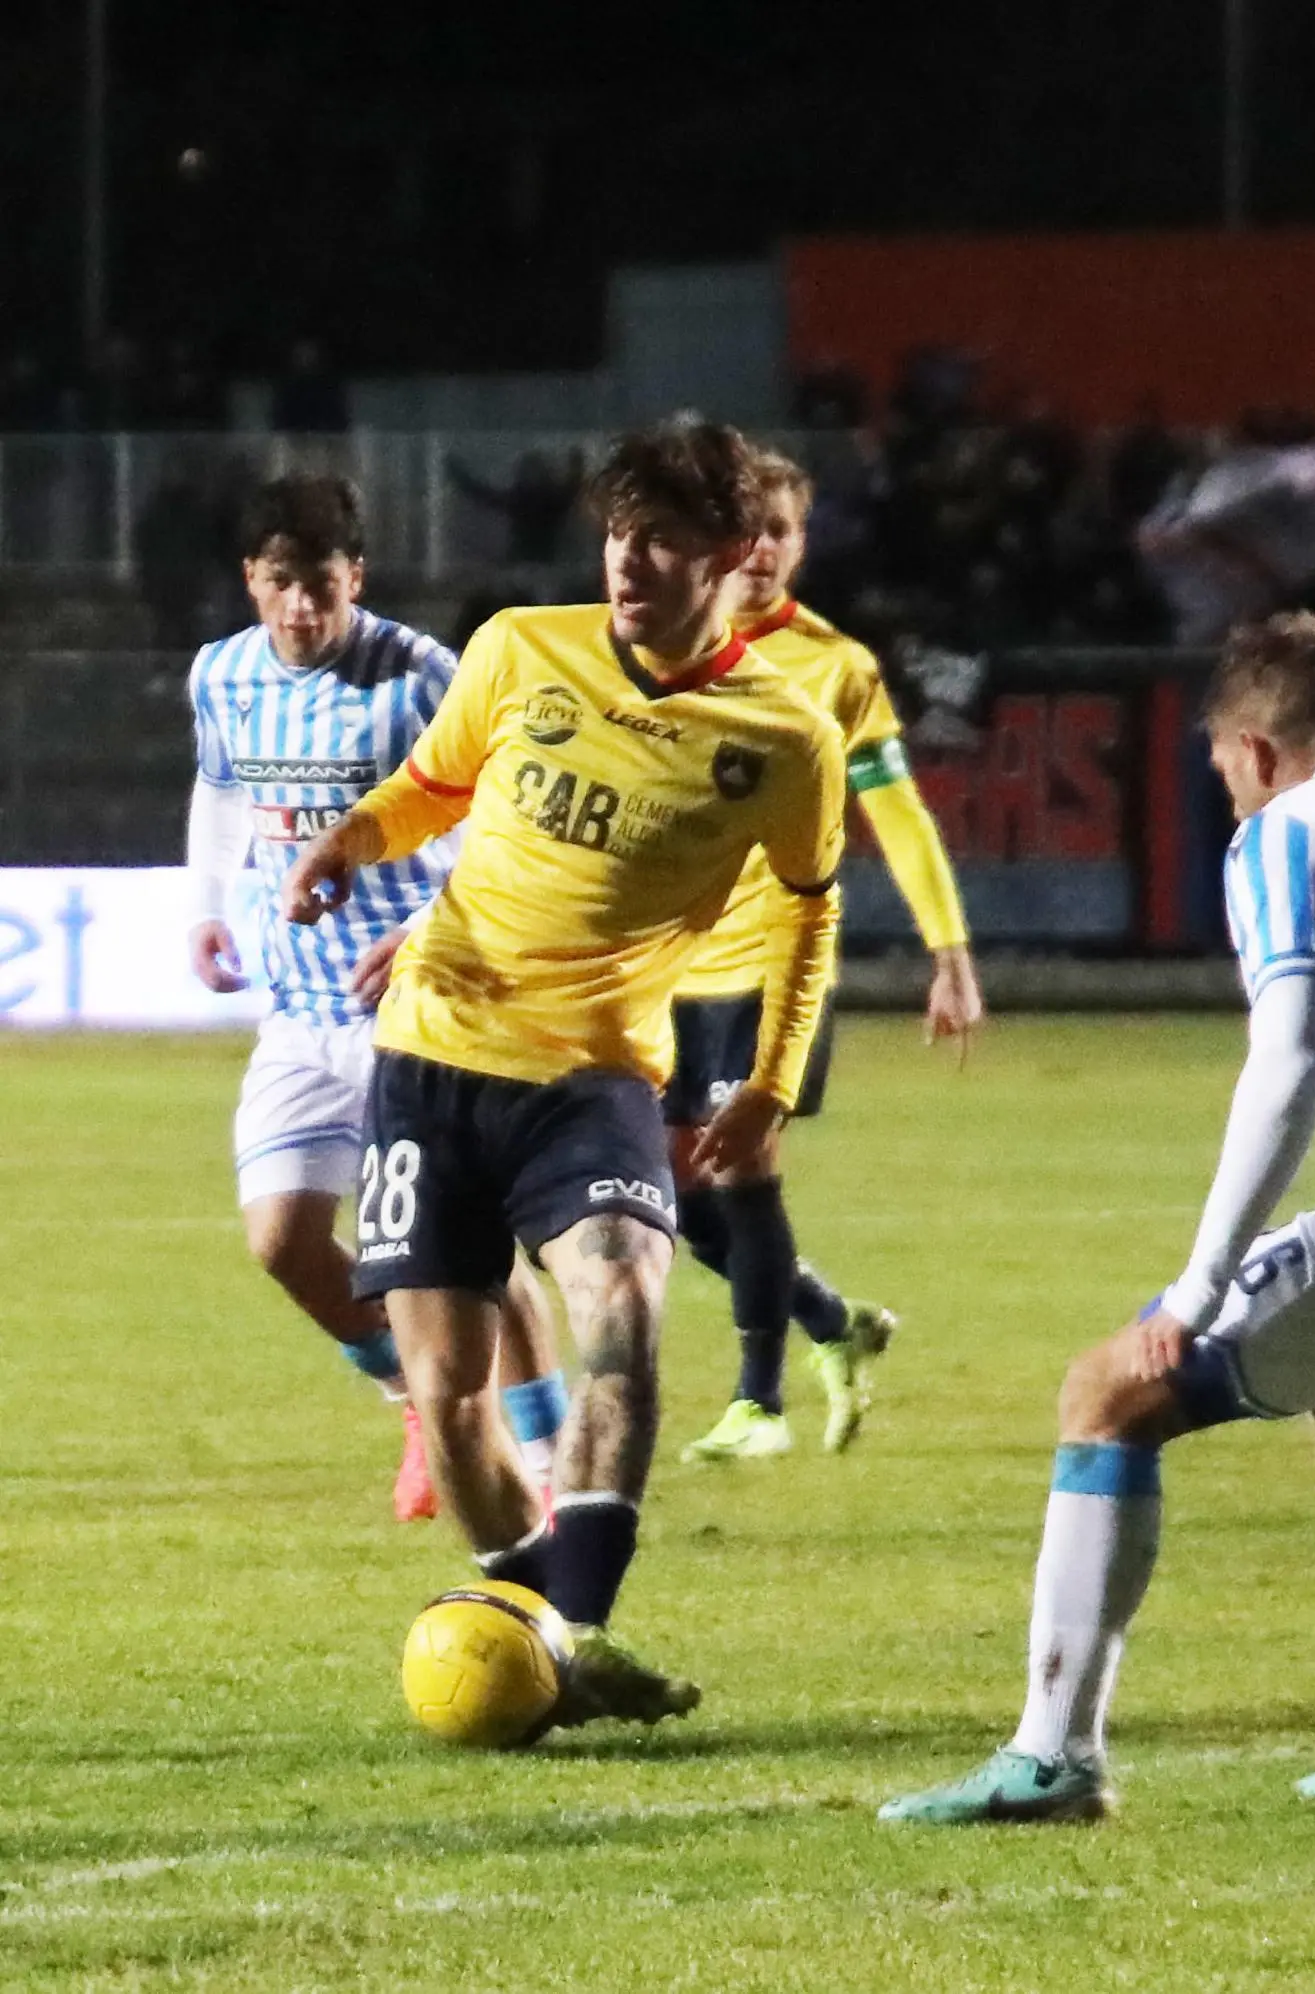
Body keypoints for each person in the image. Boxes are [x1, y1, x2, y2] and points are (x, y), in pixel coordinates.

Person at [882, 612, 1315, 1825]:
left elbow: (1285, 1064)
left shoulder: (1286, 831)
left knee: (1110, 1389)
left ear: (1258, 748)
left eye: (1224, 766)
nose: (1225, 791)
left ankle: (1052, 1758)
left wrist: (1196, 1287)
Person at [282, 420, 847, 1726]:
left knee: (623, 1310)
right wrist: (352, 845)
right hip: (429, 1055)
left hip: (592, 1074)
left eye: (658, 539)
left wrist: (767, 1081)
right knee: (441, 1388)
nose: (626, 561)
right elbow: (432, 787)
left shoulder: (780, 737)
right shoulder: (517, 647)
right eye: (614, 533)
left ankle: (572, 1624)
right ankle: (543, 1630)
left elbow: (812, 910)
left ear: (732, 556)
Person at [186, 473, 566, 1524]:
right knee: (281, 1240)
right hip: (297, 1014)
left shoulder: (419, 676)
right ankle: (408, 1390)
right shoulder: (221, 673)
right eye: (280, 582)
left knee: (478, 1260)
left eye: (321, 583)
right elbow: (220, 787)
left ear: (356, 575)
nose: (301, 607)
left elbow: (513, 817)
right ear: (251, 580)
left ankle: (553, 1459)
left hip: (418, 1009)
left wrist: (439, 929)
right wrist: (208, 904)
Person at [676, 449, 984, 1462]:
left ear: (801, 544)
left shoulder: (836, 668)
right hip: (667, 966)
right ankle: (833, 1321)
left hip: (778, 959)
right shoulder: (654, 646)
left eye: (782, 531)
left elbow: (897, 813)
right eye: (744, 528)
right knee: (675, 1197)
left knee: (746, 1168)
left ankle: (758, 1403)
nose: (761, 550)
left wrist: (950, 951)